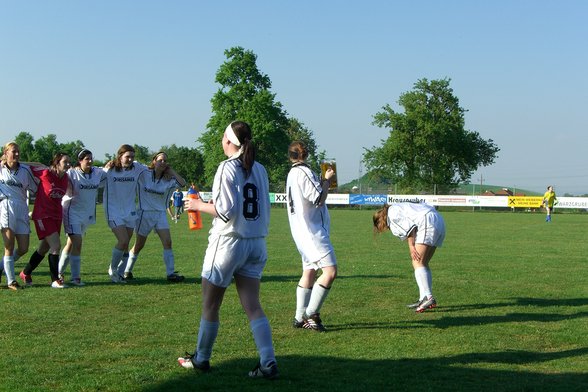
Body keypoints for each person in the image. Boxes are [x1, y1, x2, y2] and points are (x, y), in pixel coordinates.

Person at [178, 121, 278, 379]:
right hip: (256, 242)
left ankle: (201, 359)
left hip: (229, 242)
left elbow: (225, 212)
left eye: (223, 136)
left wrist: (198, 205)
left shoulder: (226, 167)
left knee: (210, 305)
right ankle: (268, 361)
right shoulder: (260, 169)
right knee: (253, 305)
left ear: (229, 141)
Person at [285, 141, 338, 332]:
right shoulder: (304, 172)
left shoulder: (292, 173)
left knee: (309, 272)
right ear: (305, 154)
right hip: (311, 232)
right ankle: (311, 314)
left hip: (301, 231)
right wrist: (326, 179)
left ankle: (300, 317)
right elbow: (318, 198)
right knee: (330, 272)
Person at [123, 152, 186, 282]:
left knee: (168, 242)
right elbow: (131, 163)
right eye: (160, 160)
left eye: (165, 161)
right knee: (139, 245)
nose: (162, 163)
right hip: (144, 213)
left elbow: (182, 183)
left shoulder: (168, 179)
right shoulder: (143, 173)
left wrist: (171, 171)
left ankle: (170, 273)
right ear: (154, 161)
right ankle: (126, 270)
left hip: (160, 214)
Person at [372, 202, 445, 313]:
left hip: (427, 220)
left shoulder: (392, 215)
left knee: (417, 262)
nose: (383, 229)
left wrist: (411, 247)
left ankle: (428, 297)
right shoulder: (397, 208)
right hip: (438, 220)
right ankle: (423, 298)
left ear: (380, 220)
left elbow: (410, 229)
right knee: (423, 263)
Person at [20, 152, 71, 288]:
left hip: (56, 216)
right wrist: (19, 162)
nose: (67, 164)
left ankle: (26, 272)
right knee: (56, 246)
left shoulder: (66, 177)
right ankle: (55, 280)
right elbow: (34, 166)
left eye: (68, 162)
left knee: (44, 248)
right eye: (65, 162)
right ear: (56, 163)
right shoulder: (45, 173)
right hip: (43, 215)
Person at [58, 149, 107, 286]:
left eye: (91, 158)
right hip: (71, 212)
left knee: (70, 244)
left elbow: (110, 171)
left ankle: (58, 272)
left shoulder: (98, 173)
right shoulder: (71, 174)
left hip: (86, 214)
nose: (90, 161)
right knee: (78, 243)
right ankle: (75, 277)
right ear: (80, 161)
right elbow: (57, 176)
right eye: (86, 159)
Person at [103, 144, 147, 283]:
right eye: (127, 156)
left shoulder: (137, 168)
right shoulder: (109, 170)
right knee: (122, 241)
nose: (130, 159)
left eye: (132, 157)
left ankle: (120, 274)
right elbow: (95, 177)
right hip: (113, 210)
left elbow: (153, 169)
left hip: (130, 210)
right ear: (120, 156)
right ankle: (113, 269)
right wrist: (105, 168)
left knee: (126, 243)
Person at [0, 142, 38, 290]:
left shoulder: (25, 170)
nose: (16, 154)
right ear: (5, 152)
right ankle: (11, 281)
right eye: (13, 152)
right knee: (9, 246)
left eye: (18, 152)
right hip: (6, 206)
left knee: (23, 248)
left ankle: (1, 266)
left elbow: (36, 188)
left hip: (22, 207)